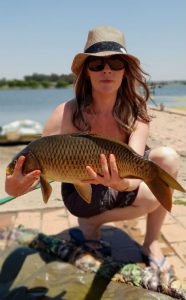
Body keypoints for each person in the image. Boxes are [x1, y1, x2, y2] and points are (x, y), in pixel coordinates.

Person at [5, 25, 179, 273]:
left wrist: (120, 183)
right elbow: (42, 172)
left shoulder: (136, 113)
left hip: (121, 181)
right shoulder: (64, 114)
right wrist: (14, 186)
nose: (106, 69)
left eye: (115, 62)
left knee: (166, 160)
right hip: (83, 194)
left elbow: (135, 163)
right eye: (97, 64)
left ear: (125, 71)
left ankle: (150, 242)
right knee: (146, 195)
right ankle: (89, 221)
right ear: (86, 72)